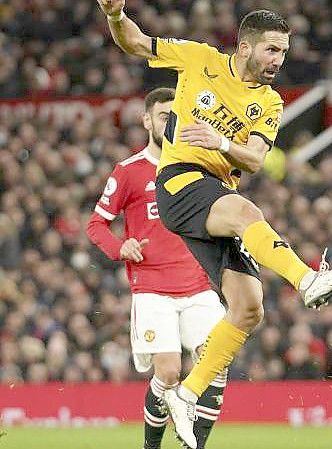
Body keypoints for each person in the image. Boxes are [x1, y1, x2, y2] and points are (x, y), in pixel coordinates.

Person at [95, 2, 332, 447]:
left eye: (283, 51)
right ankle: (307, 281)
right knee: (246, 215)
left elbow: (256, 159)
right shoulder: (198, 58)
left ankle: (186, 393)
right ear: (245, 46)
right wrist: (114, 15)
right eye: (272, 50)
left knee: (248, 308)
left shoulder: (269, 100)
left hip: (218, 190)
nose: (279, 60)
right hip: (180, 181)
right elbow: (137, 42)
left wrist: (221, 140)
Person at [86, 88, 226, 449]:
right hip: (152, 289)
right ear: (147, 120)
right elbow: (96, 225)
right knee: (167, 372)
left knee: (216, 366)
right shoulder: (129, 172)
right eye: (163, 115)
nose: (169, 122)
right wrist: (122, 247)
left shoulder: (199, 167)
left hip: (198, 285)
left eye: (174, 115)